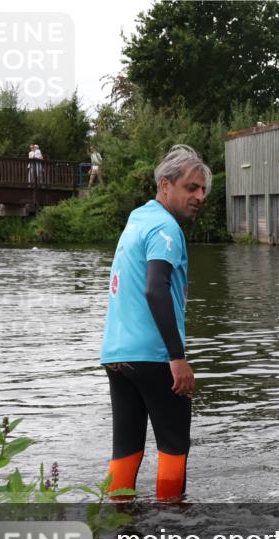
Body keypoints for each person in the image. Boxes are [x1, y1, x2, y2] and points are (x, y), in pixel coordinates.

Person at [99, 144, 210, 501]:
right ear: (166, 184)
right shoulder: (166, 229)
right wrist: (176, 357)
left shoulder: (138, 218)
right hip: (153, 355)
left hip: (117, 354)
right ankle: (171, 532)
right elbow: (156, 290)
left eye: (203, 189)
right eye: (191, 188)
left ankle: (117, 531)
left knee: (127, 450)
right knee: (174, 446)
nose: (200, 196)